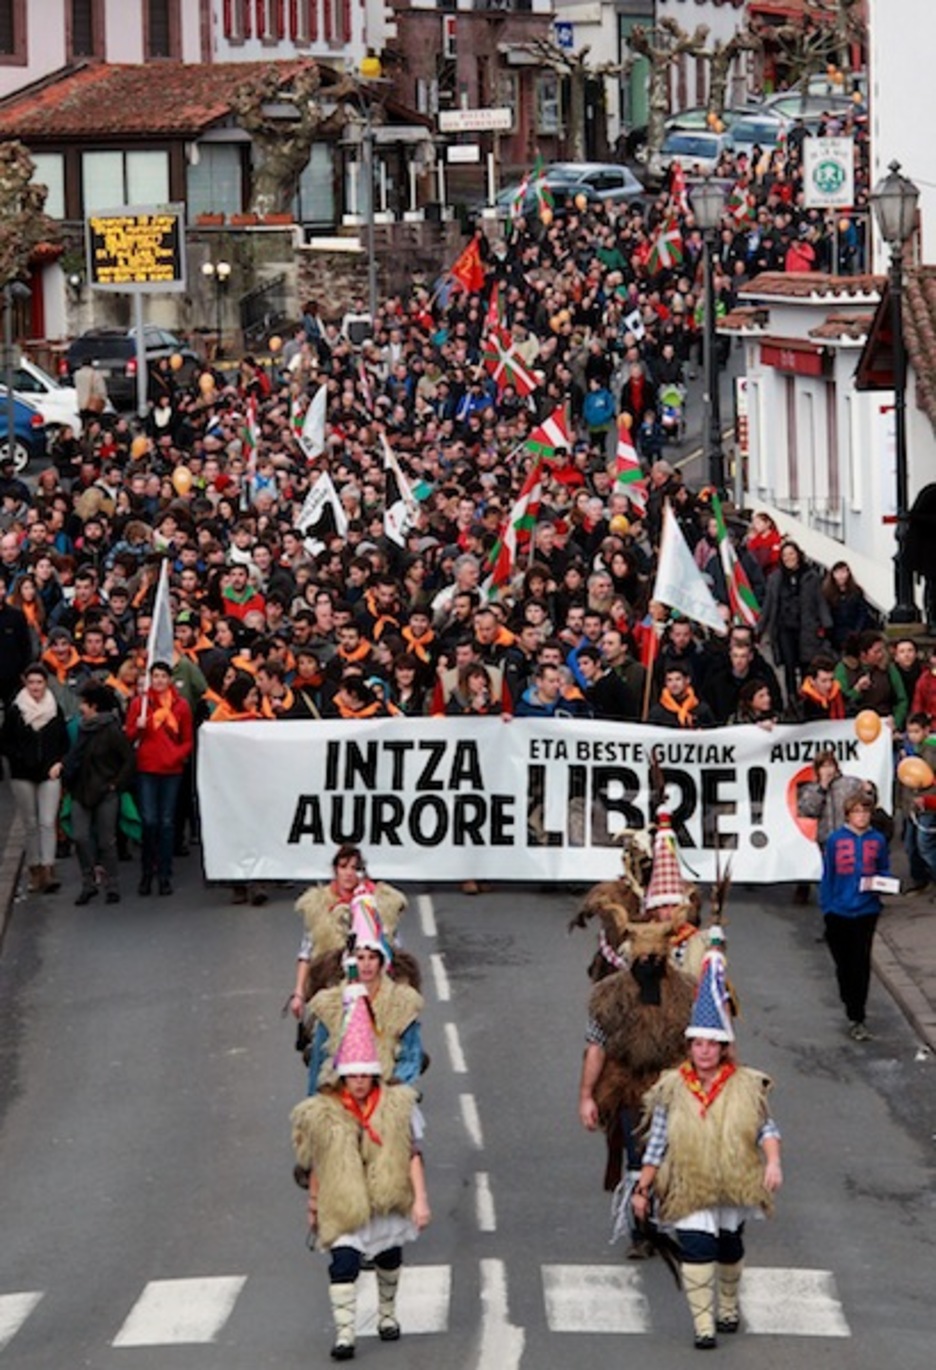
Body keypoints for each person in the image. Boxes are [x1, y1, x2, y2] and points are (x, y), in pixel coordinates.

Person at [632, 952, 782, 1349]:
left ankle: (728, 1305)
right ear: (689, 1046)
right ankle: (703, 1326)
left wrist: (773, 1162)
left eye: (711, 1045)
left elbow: (766, 1127)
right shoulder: (671, 1088)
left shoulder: (748, 1085)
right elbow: (656, 1143)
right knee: (697, 1249)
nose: (703, 1051)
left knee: (729, 1246)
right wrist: (642, 1188)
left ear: (723, 1048)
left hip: (735, 1183)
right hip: (690, 1184)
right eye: (697, 1044)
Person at [290, 989, 431, 1361]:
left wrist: (420, 1201)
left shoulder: (395, 1106)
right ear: (342, 1075)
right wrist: (314, 1205)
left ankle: (386, 1314)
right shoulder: (325, 1112)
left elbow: (413, 1155)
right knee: (344, 1264)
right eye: (351, 1075)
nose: (358, 1082)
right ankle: (345, 1334)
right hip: (345, 1201)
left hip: (385, 1197)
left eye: (364, 1075)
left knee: (388, 1257)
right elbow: (320, 1161)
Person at [304, 892, 423, 1098]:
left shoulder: (402, 1002)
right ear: (351, 962)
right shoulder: (329, 1003)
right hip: (341, 1092)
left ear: (381, 961)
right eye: (360, 958)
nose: (366, 964)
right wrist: (316, 1100)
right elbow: (319, 1058)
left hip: (387, 1090)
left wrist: (398, 1080)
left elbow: (412, 1053)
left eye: (371, 958)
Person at [290, 847, 407, 1015]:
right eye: (343, 867)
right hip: (331, 986)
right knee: (322, 1037)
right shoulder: (318, 905)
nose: (348, 873)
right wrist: (299, 994)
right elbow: (306, 953)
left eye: (354, 868)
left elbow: (396, 950)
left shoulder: (380, 903)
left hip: (373, 986)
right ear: (335, 870)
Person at [819, 792, 891, 1040]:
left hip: (866, 910)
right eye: (857, 812)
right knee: (844, 963)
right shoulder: (835, 840)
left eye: (865, 812)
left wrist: (884, 884)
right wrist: (827, 906)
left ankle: (857, 1014)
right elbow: (828, 874)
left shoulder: (878, 840)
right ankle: (849, 999)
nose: (861, 817)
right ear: (848, 815)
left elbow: (884, 868)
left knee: (861, 963)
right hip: (838, 910)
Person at [63, 679, 136, 905]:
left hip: (105, 792)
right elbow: (73, 756)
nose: (80, 708)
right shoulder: (81, 728)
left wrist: (115, 784)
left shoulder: (111, 731)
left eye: (84, 703)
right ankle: (89, 882)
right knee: (81, 837)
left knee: (106, 841)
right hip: (81, 791)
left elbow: (128, 760)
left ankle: (111, 884)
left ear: (94, 706)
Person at [125, 660, 194, 897]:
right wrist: (139, 726)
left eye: (164, 676)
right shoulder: (140, 704)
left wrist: (176, 756)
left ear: (169, 679)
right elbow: (130, 735)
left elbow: (187, 739)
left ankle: (164, 874)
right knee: (149, 821)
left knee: (166, 823)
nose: (160, 681)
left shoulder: (181, 706)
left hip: (171, 771)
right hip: (147, 768)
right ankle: (147, 872)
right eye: (155, 677)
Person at [1, 663, 69, 893]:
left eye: (39, 682)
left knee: (48, 822)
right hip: (23, 775)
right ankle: (35, 869)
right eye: (31, 683)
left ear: (45, 683)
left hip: (49, 773)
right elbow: (5, 743)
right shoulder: (15, 711)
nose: (35, 687)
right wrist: (21, 759)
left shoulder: (54, 709)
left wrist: (59, 763)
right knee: (30, 823)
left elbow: (64, 741)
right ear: (25, 684)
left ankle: (49, 868)